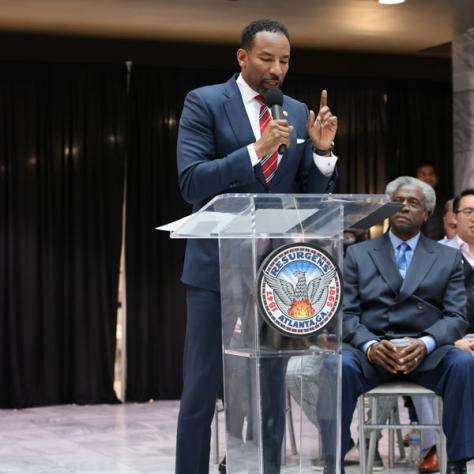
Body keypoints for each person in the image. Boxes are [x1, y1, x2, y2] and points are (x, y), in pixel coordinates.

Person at [175, 19, 339, 474]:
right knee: (201, 390)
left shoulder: (297, 109)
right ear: (242, 57)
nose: (277, 70)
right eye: (267, 59)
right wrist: (255, 149)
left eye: (284, 61)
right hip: (216, 272)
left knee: (270, 389)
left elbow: (310, 200)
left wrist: (323, 156)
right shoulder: (205, 102)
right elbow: (191, 182)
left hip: (276, 275)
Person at [318, 176, 474, 474]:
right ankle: (332, 463)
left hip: (426, 352)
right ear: (386, 208)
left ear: (427, 213)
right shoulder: (357, 254)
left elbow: (456, 317)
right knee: (334, 367)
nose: (403, 207)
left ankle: (458, 464)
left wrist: (426, 343)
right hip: (373, 350)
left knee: (463, 364)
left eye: (413, 203)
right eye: (397, 202)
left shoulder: (448, 257)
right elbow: (345, 315)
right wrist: (370, 346)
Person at [442, 189, 474, 349]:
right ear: (454, 217)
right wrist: (451, 340)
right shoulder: (437, 253)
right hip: (455, 341)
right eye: (468, 212)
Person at [416, 164, 445, 240]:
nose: (428, 177)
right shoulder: (408, 204)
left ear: (436, 179)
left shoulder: (445, 204)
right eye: (423, 174)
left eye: (431, 174)